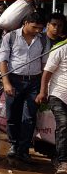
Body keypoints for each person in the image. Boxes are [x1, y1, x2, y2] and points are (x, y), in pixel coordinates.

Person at [0, 12, 51, 163]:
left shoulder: (43, 39)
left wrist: (43, 89)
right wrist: (6, 83)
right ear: (26, 23)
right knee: (12, 115)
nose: (37, 31)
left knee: (29, 118)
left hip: (34, 82)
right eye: (34, 27)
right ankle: (14, 146)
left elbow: (44, 65)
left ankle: (24, 149)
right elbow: (3, 61)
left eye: (40, 28)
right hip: (14, 80)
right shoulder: (10, 37)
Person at [35, 43, 67, 173]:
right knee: (64, 123)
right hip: (58, 94)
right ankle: (63, 161)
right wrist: (43, 92)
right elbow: (47, 72)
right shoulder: (61, 48)